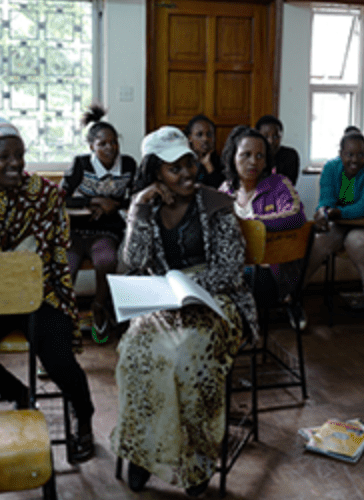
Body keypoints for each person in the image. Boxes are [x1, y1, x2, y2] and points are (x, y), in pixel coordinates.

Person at [111, 126, 256, 497]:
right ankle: (144, 454)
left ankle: (197, 461)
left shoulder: (216, 204)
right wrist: (139, 209)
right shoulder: (147, 207)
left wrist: (189, 288)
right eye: (174, 168)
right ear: (155, 173)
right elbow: (134, 261)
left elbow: (231, 270)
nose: (188, 173)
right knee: (135, 354)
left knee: (187, 359)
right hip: (162, 300)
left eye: (189, 163)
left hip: (217, 300)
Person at [0, 116, 95, 463]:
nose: (15, 164)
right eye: (4, 157)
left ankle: (83, 413)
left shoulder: (41, 193)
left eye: (20, 155)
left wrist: (20, 266)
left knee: (57, 358)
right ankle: (20, 395)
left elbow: (53, 246)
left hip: (38, 292)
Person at [60, 105, 137, 341]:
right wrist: (92, 201)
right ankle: (64, 317)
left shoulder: (128, 165)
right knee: (67, 266)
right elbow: (61, 197)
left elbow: (136, 198)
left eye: (113, 142)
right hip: (76, 231)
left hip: (106, 231)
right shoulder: (81, 164)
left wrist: (112, 205)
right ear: (91, 146)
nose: (109, 148)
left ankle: (99, 307)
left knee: (106, 260)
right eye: (102, 143)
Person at [304, 127, 364, 311]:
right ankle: (294, 292)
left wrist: (335, 213)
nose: (355, 160)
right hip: (345, 223)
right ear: (340, 154)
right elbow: (326, 200)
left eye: (360, 155)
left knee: (355, 240)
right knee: (320, 241)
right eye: (349, 155)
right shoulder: (331, 168)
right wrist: (322, 211)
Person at [218, 125, 305, 315]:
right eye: (246, 155)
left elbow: (297, 216)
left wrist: (254, 225)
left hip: (269, 270)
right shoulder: (225, 190)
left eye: (260, 156)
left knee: (236, 283)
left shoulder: (278, 184)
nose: (253, 162)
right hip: (234, 267)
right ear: (233, 157)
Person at [255, 114, 300, 186]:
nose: (271, 141)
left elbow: (288, 185)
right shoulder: (253, 157)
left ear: (281, 137)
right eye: (265, 137)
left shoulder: (290, 156)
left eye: (276, 136)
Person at [184, 114, 224, 188]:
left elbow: (221, 189)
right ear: (190, 138)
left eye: (209, 135)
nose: (205, 139)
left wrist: (208, 165)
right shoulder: (184, 161)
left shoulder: (221, 162)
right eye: (199, 135)